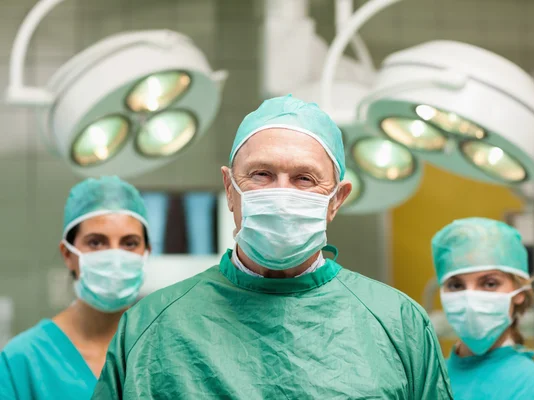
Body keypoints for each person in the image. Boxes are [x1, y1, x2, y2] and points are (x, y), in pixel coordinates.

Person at [92, 95, 453, 399]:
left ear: (336, 200)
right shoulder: (152, 325)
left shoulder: (398, 324)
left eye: (304, 179)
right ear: (230, 188)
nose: (281, 195)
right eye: (261, 175)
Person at [0, 176, 150, 400]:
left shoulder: (164, 347)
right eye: (96, 242)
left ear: (146, 251)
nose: (115, 256)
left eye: (130, 243)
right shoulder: (22, 361)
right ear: (68, 254)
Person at [432, 217, 534, 400]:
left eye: (489, 283)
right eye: (456, 286)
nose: (470, 299)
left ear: (520, 292)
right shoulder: (426, 385)